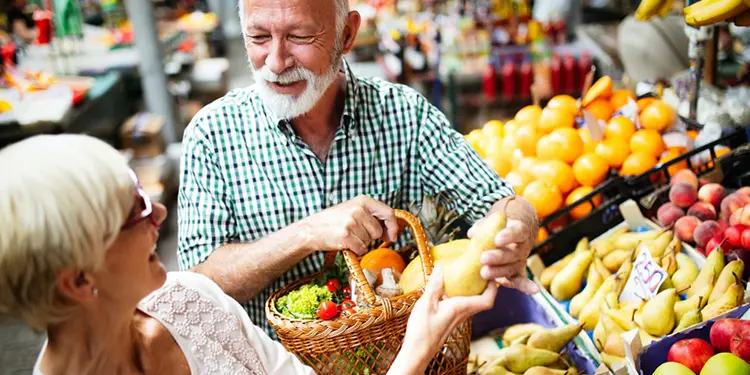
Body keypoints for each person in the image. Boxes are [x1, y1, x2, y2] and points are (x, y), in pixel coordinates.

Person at [178, 0, 540, 338]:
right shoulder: (213, 134)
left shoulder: (405, 115)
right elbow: (198, 286)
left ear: (346, 35)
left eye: (299, 37)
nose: (275, 61)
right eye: (258, 37)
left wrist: (518, 230)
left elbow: (503, 203)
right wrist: (305, 234)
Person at [0, 134, 498, 375]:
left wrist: (416, 344)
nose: (158, 212)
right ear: (79, 280)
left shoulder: (191, 302)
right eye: (132, 210)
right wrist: (416, 350)